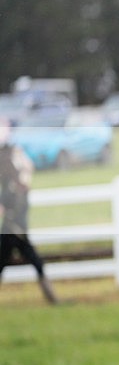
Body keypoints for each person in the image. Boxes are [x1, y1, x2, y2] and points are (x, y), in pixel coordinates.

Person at [0, 117, 58, 304]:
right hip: (13, 220)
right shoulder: (7, 156)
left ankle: (51, 295)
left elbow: (26, 172)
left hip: (15, 218)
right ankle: (51, 296)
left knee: (8, 257)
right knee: (29, 256)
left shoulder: (13, 153)